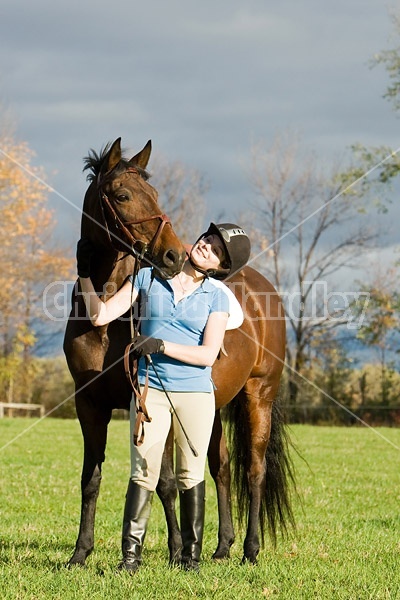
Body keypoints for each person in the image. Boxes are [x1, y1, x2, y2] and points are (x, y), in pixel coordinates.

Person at [77, 222, 251, 573]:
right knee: (143, 471)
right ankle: (130, 560)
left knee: (190, 474)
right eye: (208, 239)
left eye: (216, 249)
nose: (207, 246)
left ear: (220, 267)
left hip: (195, 395)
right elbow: (99, 316)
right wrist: (84, 276)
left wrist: (161, 345)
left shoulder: (216, 297)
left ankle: (189, 560)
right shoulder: (147, 279)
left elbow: (206, 355)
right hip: (149, 390)